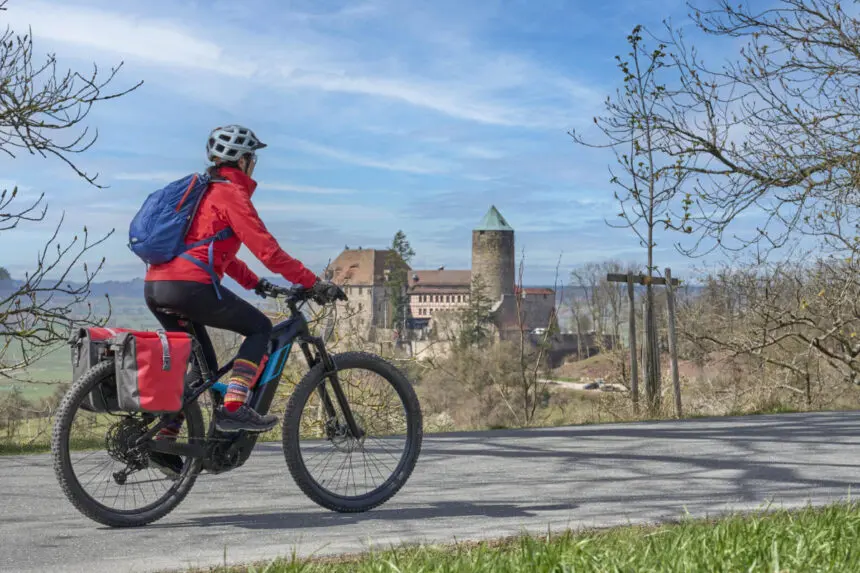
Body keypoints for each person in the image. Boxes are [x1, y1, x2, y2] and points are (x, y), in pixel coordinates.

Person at [143, 125, 342, 475]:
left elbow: (218, 253)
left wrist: (257, 284)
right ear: (244, 160)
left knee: (201, 367)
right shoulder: (230, 194)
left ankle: (165, 435)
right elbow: (268, 252)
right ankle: (234, 407)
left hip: (158, 287)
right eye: (253, 159)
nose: (254, 165)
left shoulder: (203, 194)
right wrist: (313, 283)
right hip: (190, 287)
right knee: (259, 328)